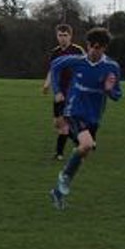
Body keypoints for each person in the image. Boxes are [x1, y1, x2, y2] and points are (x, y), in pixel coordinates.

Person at [48, 27, 122, 210]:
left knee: (84, 151)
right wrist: (57, 91)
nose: (94, 50)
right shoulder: (76, 61)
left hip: (93, 117)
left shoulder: (112, 67)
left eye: (99, 47)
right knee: (87, 144)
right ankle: (63, 179)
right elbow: (55, 66)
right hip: (74, 112)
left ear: (104, 48)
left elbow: (117, 95)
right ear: (87, 45)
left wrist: (109, 89)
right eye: (92, 46)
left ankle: (58, 190)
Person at [41, 23, 85, 160]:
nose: (63, 38)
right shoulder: (55, 52)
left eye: (65, 35)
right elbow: (52, 70)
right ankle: (81, 143)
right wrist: (47, 84)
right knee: (58, 123)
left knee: (65, 122)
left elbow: (86, 69)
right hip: (58, 91)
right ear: (56, 36)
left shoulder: (78, 51)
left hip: (73, 92)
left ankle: (59, 153)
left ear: (70, 36)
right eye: (60, 35)